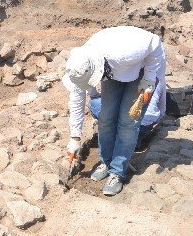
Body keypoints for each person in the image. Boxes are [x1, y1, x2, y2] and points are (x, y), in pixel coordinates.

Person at [63, 26, 165, 196]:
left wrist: (148, 78)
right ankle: (106, 161)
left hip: (139, 70)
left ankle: (117, 172)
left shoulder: (125, 53)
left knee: (128, 122)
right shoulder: (80, 64)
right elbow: (76, 99)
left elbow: (155, 42)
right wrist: (75, 137)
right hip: (111, 71)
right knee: (106, 117)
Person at [87, 75, 166, 152]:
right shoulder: (157, 78)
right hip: (146, 125)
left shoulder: (121, 76)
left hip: (130, 123)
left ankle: (116, 138)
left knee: (93, 103)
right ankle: (135, 140)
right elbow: (162, 109)